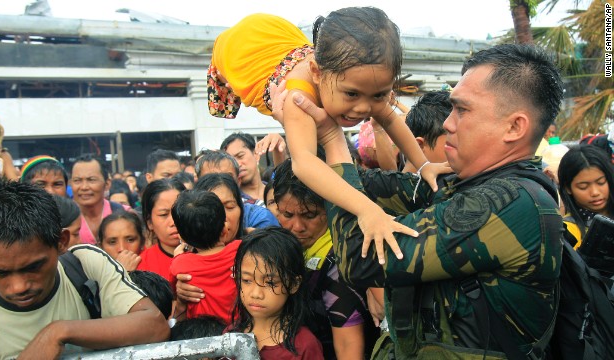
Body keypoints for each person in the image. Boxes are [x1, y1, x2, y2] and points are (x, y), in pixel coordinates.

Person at [287, 44, 565, 358]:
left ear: (514, 127)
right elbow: (356, 183)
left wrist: (331, 138)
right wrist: (307, 113)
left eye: (462, 110)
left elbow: (359, 259)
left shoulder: (510, 204)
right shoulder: (463, 185)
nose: (447, 123)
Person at [209, 8, 448, 262]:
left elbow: (388, 116)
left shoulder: (363, 81)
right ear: (317, 73)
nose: (364, 108)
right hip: (240, 49)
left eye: (378, 95)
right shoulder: (297, 98)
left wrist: (424, 165)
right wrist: (367, 209)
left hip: (281, 42)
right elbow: (304, 163)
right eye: (352, 95)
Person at [0, 181, 169, 359]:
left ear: (61, 242)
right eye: (0, 273)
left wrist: (59, 332)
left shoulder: (83, 265)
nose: (18, 287)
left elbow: (154, 326)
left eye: (33, 267)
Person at [272, 158, 377, 359]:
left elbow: (348, 346)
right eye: (287, 214)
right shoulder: (291, 248)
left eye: (310, 215)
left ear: (331, 207)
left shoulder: (339, 264)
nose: (297, 226)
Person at [228, 227, 323, 359]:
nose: (256, 294)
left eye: (270, 283)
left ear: (293, 284)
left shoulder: (304, 346)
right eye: (246, 280)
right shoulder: (231, 336)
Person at [170, 190, 241, 324]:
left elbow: (173, 292)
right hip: (239, 328)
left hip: (201, 334)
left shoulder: (180, 264)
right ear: (225, 230)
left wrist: (179, 258)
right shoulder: (241, 250)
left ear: (182, 237)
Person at [196, 150, 279, 230]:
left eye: (227, 178)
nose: (219, 184)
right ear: (198, 184)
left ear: (238, 181)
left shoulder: (259, 217)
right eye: (211, 179)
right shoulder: (188, 220)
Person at [558, 145, 614, 248]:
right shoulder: (568, 231)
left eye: (601, 182)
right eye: (583, 187)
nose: (595, 192)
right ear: (568, 188)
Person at [136, 178, 185, 283]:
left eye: (179, 211)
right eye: (163, 214)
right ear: (149, 222)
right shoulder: (142, 267)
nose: (173, 222)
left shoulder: (210, 253)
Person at [71, 154, 123, 245]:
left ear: (107, 184)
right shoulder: (63, 219)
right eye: (77, 180)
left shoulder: (124, 214)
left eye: (91, 180)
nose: (84, 187)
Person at [220, 132, 267, 205]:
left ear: (256, 155)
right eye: (231, 161)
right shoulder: (232, 203)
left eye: (240, 156)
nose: (238, 164)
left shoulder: (276, 191)